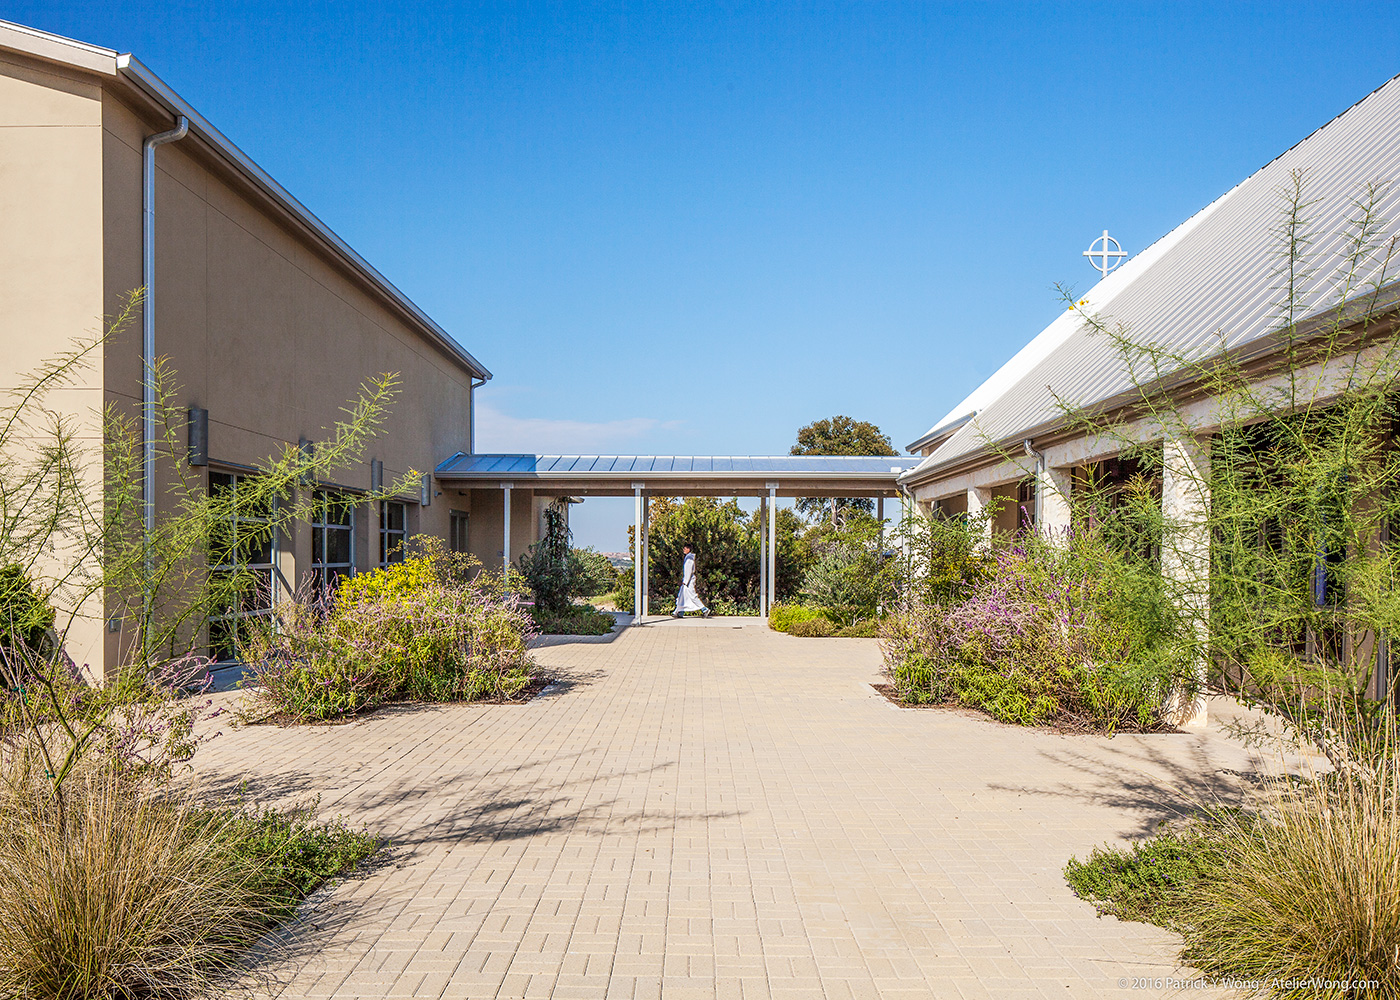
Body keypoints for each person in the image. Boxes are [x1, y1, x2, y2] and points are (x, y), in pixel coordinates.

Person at [673, 542, 713, 618]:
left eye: (685, 548)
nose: (683, 549)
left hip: (688, 581)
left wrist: (685, 581)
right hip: (688, 581)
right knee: (682, 596)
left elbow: (688, 571)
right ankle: (679, 612)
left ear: (688, 549)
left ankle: (704, 609)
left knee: (692, 596)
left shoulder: (689, 559)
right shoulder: (688, 557)